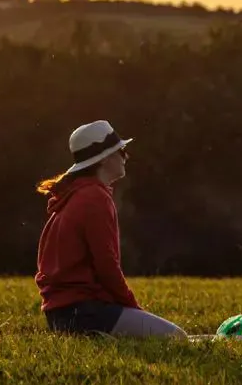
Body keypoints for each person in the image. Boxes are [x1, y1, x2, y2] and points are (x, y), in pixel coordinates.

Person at [35, 120, 186, 338]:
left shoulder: (75, 196)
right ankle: (96, 335)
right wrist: (132, 307)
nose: (126, 157)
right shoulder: (95, 198)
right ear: (105, 158)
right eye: (121, 151)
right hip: (85, 312)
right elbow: (107, 265)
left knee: (167, 336)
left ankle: (100, 336)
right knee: (176, 337)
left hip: (61, 314)